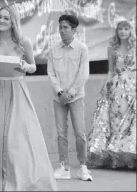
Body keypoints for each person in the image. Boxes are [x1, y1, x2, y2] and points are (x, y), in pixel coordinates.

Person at [0, 6, 57, 191]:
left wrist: (24, 66)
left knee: (18, 138)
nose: (2, 21)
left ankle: (19, 182)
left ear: (13, 21)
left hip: (17, 89)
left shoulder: (24, 42)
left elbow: (33, 67)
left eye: (6, 18)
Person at [47, 14, 93, 181]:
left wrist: (71, 92)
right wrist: (60, 92)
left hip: (76, 97)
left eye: (65, 27)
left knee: (80, 133)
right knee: (61, 133)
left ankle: (83, 167)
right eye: (60, 27)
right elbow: (50, 73)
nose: (62, 30)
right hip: (58, 98)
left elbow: (84, 73)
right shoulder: (53, 49)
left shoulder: (82, 49)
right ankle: (63, 166)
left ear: (74, 30)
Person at [87, 20, 136, 169]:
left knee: (131, 122)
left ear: (130, 31)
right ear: (117, 32)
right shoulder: (112, 48)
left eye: (126, 29)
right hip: (116, 88)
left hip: (133, 87)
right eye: (120, 29)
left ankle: (130, 156)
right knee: (116, 121)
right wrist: (105, 86)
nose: (123, 31)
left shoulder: (135, 47)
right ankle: (117, 158)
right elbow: (110, 71)